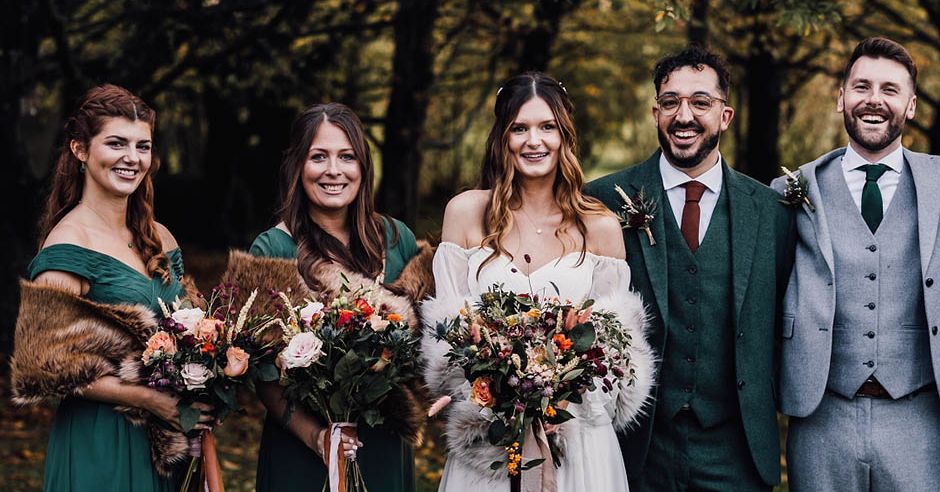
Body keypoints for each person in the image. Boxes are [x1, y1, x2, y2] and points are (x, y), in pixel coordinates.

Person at [421, 71, 655, 492]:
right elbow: (444, 334)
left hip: (578, 441)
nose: (534, 141)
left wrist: (557, 389)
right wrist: (501, 387)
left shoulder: (598, 226)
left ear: (564, 135)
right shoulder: (466, 213)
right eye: (520, 128)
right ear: (502, 138)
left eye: (547, 127)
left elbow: (619, 348)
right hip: (490, 443)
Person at [585, 46, 789, 491]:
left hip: (736, 451)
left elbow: (785, 318)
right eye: (671, 102)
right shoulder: (600, 201)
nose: (684, 116)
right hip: (636, 446)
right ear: (655, 112)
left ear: (726, 115)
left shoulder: (772, 212)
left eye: (700, 102)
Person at [11, 84, 214, 491]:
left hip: (172, 442)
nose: (132, 158)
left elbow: (192, 329)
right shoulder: (68, 247)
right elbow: (41, 367)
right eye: (116, 143)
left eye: (143, 146)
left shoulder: (160, 237)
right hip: (102, 441)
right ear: (80, 150)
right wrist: (149, 400)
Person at [771, 37, 940, 491]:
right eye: (861, 86)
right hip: (822, 415)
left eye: (890, 89)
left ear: (910, 106)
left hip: (919, 417)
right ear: (840, 97)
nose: (874, 100)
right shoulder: (790, 191)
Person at [246, 102, 425, 492]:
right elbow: (263, 377)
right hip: (303, 447)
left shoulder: (398, 241)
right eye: (318, 157)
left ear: (363, 166)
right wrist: (316, 437)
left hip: (382, 442)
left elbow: (424, 346)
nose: (333, 170)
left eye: (347, 157)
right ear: (298, 166)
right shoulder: (272, 250)